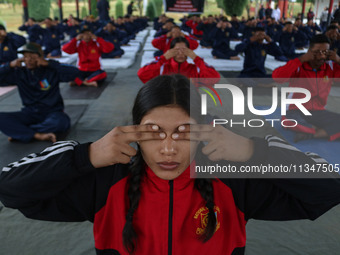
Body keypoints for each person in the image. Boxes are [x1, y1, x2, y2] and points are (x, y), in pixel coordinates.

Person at [1, 74, 340, 255]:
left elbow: (329, 187)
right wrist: (83, 156)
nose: (167, 148)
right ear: (134, 131)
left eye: (183, 132)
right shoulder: (106, 180)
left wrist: (256, 152)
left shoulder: (233, 180)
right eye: (153, 132)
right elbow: (11, 188)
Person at [0, 43, 80, 143]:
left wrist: (49, 63)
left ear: (40, 57)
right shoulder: (19, 73)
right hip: (29, 113)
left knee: (62, 122)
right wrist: (9, 65)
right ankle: (37, 135)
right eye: (25, 57)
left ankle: (23, 132)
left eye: (32, 57)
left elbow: (76, 73)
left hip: (52, 112)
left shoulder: (50, 71)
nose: (28, 60)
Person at [272, 34, 340, 142]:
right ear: (309, 51)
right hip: (295, 111)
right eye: (317, 52)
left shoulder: (330, 67)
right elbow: (277, 77)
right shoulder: (299, 65)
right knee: (292, 121)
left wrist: (338, 60)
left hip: (318, 112)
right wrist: (301, 59)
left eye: (325, 52)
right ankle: (318, 130)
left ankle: (313, 133)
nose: (322, 56)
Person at [138, 37, 220, 83]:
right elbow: (141, 74)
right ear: (171, 51)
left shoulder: (195, 69)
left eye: (184, 50)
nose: (180, 53)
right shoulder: (162, 69)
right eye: (177, 50)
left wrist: (196, 59)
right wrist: (163, 58)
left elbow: (215, 78)